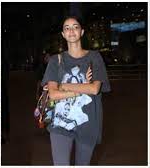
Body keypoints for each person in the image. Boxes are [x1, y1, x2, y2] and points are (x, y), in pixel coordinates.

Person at [41, 16, 110, 165]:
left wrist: (63, 85)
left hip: (88, 123)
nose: (71, 30)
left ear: (82, 31)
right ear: (63, 34)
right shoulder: (55, 60)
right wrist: (82, 88)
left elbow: (94, 88)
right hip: (61, 123)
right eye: (67, 28)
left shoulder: (94, 57)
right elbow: (53, 94)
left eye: (75, 26)